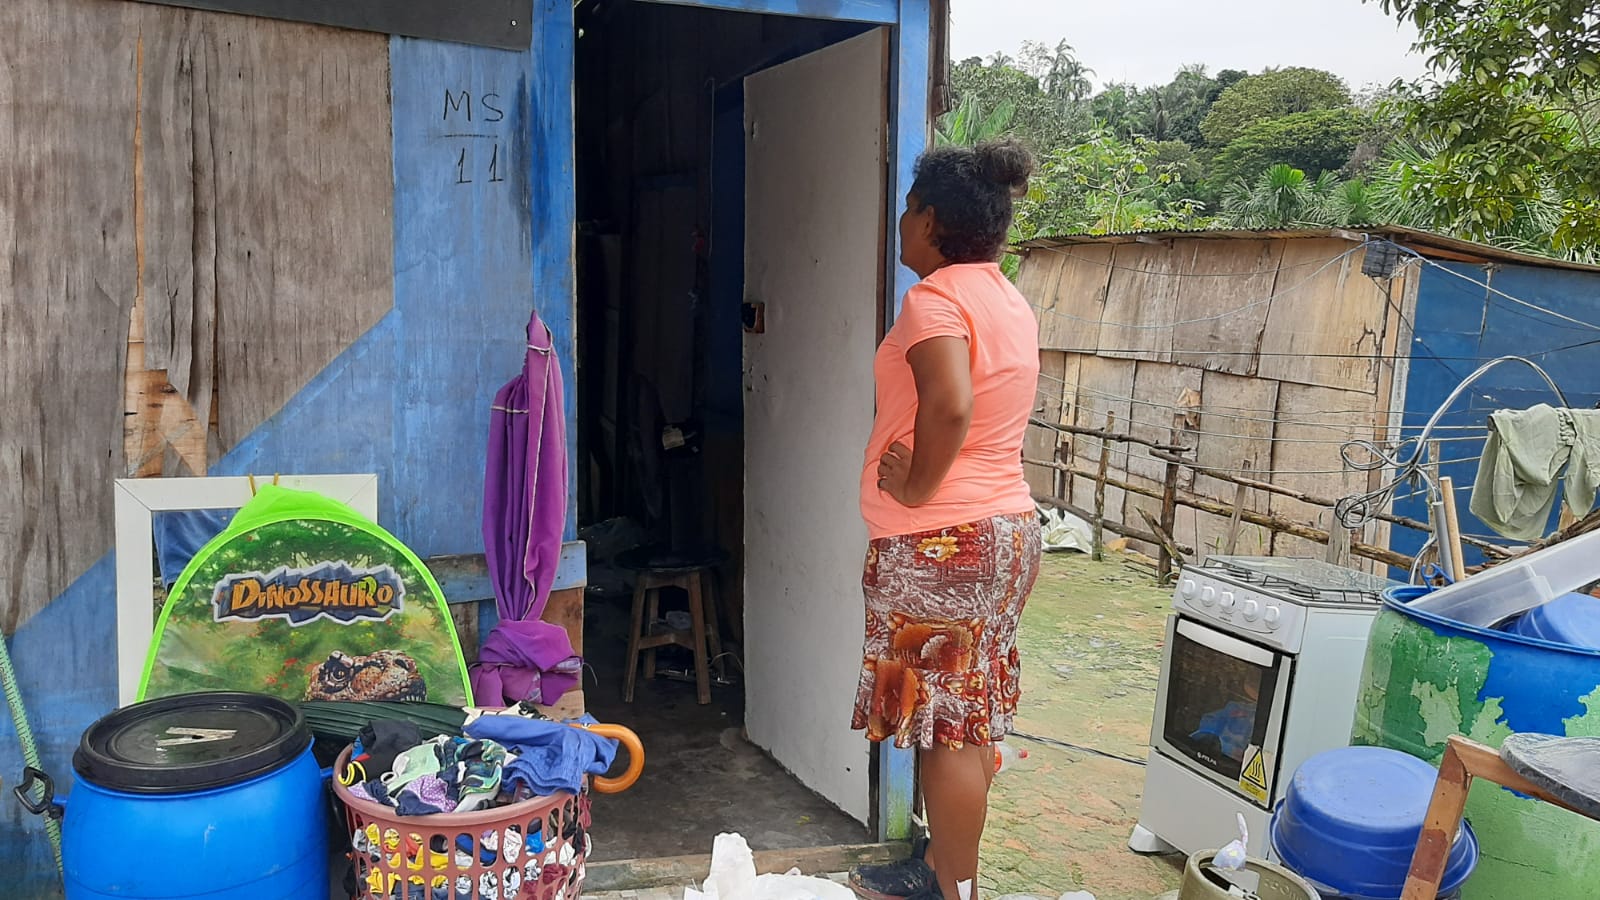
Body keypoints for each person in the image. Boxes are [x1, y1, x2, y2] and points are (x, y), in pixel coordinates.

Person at [848, 139, 1044, 900]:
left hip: (943, 541)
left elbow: (953, 401)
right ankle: (938, 868)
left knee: (950, 726)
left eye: (908, 207)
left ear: (930, 220)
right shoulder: (1006, 297)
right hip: (1004, 531)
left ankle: (952, 888)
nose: (902, 220)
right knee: (964, 715)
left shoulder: (934, 300)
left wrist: (919, 485)